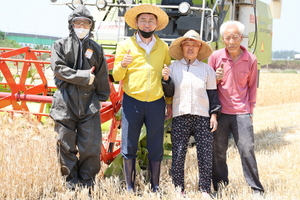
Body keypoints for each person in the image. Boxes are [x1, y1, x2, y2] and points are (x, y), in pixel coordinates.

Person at [50, 5, 110, 190]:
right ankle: (71, 185)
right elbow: (58, 69)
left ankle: (87, 185)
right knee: (66, 146)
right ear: (71, 25)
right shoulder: (59, 45)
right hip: (65, 104)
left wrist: (102, 96)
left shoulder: (96, 49)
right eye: (78, 23)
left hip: (89, 105)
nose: (82, 26)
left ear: (91, 26)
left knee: (91, 148)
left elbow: (101, 74)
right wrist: (83, 76)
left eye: (86, 23)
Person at [112, 4, 171, 193]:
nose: (147, 24)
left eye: (151, 20)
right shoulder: (125, 45)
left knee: (156, 145)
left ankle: (155, 185)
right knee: (129, 144)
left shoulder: (163, 47)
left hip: (156, 102)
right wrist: (122, 64)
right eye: (143, 20)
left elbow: (167, 77)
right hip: (132, 101)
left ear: (156, 24)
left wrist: (167, 87)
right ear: (136, 23)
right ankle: (129, 186)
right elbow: (117, 76)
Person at [162, 30, 221, 198]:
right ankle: (179, 189)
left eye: (194, 45)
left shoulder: (207, 70)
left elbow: (213, 95)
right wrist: (166, 79)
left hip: (202, 116)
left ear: (199, 48)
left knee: (205, 154)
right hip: (180, 115)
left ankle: (204, 190)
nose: (190, 48)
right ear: (181, 47)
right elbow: (169, 91)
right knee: (179, 154)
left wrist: (214, 115)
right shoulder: (173, 68)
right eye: (187, 45)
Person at [208, 20, 264, 194]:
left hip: (242, 112)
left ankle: (256, 190)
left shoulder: (251, 59)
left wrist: (250, 111)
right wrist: (215, 79)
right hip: (220, 112)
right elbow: (208, 86)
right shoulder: (215, 57)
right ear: (222, 39)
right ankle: (220, 188)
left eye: (235, 37)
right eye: (227, 37)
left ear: (241, 38)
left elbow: (252, 87)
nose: (231, 41)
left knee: (247, 150)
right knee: (218, 152)